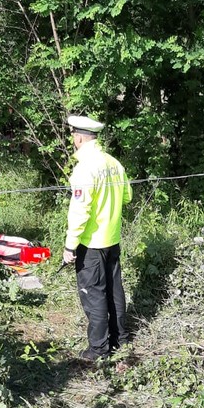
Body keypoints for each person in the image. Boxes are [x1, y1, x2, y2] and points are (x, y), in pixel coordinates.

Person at [62, 115, 132, 361]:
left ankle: (98, 349)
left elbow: (80, 211)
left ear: (79, 137)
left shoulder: (85, 168)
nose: (73, 140)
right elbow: (127, 197)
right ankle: (120, 339)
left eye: (73, 136)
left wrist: (70, 246)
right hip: (112, 239)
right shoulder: (114, 163)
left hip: (91, 244)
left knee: (94, 294)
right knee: (115, 291)